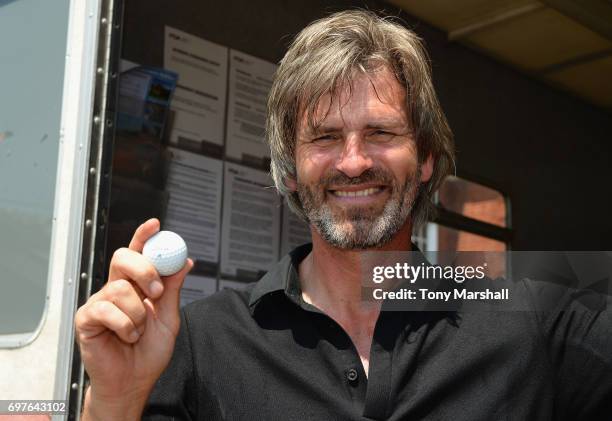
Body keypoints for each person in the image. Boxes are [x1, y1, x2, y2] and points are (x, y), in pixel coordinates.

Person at [75, 10, 612, 421]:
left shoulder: (536, 327)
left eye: (381, 133)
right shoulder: (199, 342)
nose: (353, 162)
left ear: (425, 158)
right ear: (289, 170)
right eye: (325, 137)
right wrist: (116, 402)